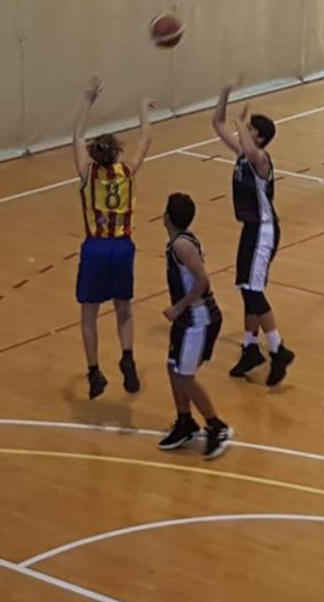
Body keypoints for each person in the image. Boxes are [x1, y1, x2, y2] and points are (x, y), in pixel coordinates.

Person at [73, 77, 153, 399]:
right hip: (122, 247)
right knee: (124, 308)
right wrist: (142, 111)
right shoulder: (129, 171)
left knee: (89, 315)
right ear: (118, 153)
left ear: (94, 154)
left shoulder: (87, 173)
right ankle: (128, 358)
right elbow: (146, 138)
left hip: (95, 247)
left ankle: (94, 373)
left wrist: (89, 101)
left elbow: (77, 135)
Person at [212, 82, 295, 387]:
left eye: (249, 129)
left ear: (258, 136)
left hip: (264, 230)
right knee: (246, 287)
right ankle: (250, 348)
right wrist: (225, 96)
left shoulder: (260, 160)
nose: (242, 132)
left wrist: (240, 122)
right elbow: (217, 124)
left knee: (254, 290)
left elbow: (248, 147)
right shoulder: (244, 154)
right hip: (250, 229)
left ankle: (277, 349)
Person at [159, 193, 233, 460]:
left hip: (197, 319)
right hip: (187, 319)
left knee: (184, 377)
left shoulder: (182, 246)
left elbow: (202, 281)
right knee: (172, 366)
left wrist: (179, 307)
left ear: (167, 217)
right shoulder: (180, 242)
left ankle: (217, 426)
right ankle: (185, 422)